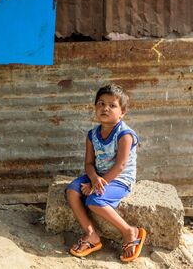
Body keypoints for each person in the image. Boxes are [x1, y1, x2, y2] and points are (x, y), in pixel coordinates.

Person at [66, 84, 146, 262]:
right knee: (72, 191)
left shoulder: (125, 134)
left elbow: (120, 165)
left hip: (119, 179)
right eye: (101, 104)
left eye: (112, 105)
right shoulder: (92, 134)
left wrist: (97, 184)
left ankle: (129, 231)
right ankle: (91, 234)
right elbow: (88, 163)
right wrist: (94, 178)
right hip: (98, 175)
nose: (105, 108)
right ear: (95, 108)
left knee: (94, 200)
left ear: (122, 112)